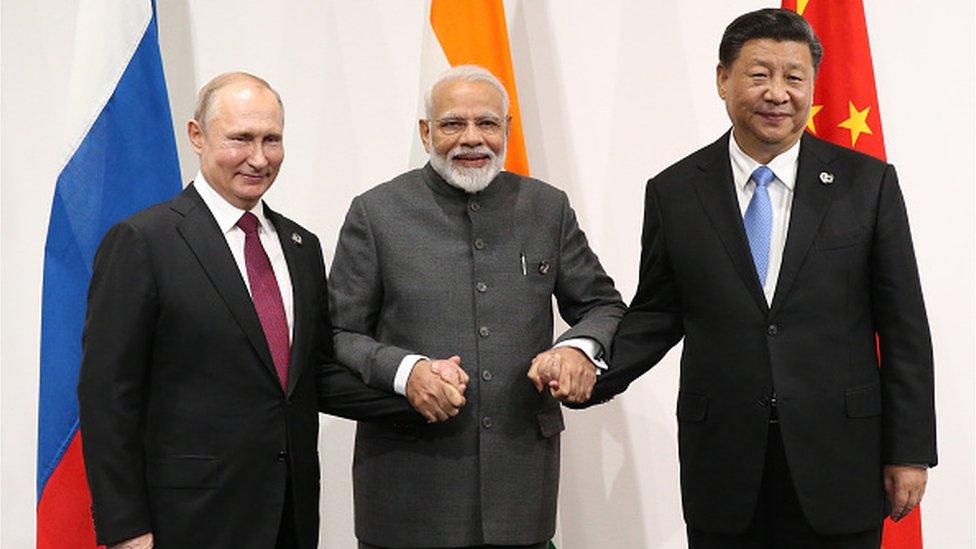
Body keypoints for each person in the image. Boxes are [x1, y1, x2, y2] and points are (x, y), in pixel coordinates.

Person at [585, 9, 937, 548]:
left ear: (812, 87)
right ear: (723, 79)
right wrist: (591, 371)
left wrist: (908, 450)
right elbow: (658, 312)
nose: (778, 93)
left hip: (840, 460)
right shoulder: (676, 191)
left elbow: (904, 325)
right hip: (724, 466)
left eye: (794, 77)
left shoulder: (866, 185)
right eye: (759, 74)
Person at [78, 72, 426, 549]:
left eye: (272, 140)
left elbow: (310, 376)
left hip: (291, 515)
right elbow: (108, 396)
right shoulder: (143, 242)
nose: (259, 158)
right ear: (196, 137)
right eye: (240, 138)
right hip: (187, 522)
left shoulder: (302, 245)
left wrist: (418, 388)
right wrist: (125, 529)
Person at [328, 64, 625, 548]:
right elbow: (339, 334)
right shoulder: (376, 212)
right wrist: (407, 371)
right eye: (452, 124)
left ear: (507, 130)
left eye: (487, 123)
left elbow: (602, 305)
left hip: (522, 496)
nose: (472, 139)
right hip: (407, 495)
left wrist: (577, 349)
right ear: (425, 132)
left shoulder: (547, 208)